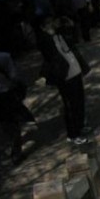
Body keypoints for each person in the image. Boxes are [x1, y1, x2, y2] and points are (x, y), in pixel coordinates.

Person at [38, 17, 89, 145]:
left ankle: (81, 126)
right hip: (64, 76)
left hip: (75, 71)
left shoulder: (60, 35)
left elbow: (70, 28)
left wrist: (63, 21)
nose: (51, 26)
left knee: (80, 101)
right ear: (42, 28)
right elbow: (48, 58)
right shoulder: (45, 41)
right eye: (47, 24)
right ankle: (73, 134)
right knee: (70, 105)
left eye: (51, 23)